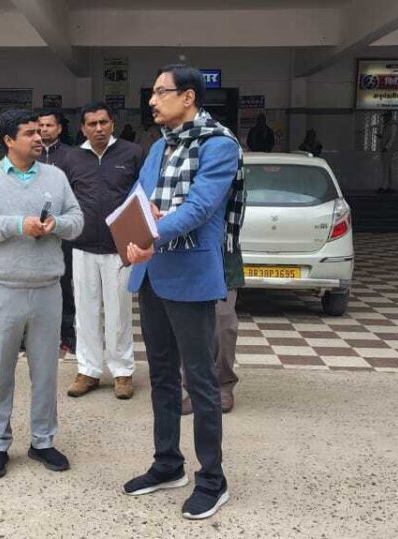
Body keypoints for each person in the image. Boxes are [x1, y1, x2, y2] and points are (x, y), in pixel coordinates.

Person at [121, 64, 244, 520]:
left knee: (200, 379)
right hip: (152, 273)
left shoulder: (219, 145)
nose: (152, 101)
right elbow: (139, 198)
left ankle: (212, 479)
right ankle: (167, 464)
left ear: (188, 96)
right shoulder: (159, 146)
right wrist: (131, 229)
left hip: (190, 274)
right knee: (162, 375)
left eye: (160, 92)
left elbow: (200, 207)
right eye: (152, 93)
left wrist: (151, 233)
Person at [0, 109, 84, 479]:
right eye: (29, 132)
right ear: (8, 140)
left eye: (39, 131)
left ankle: (43, 441)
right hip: (3, 290)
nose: (38, 137)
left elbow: (77, 221)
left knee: (45, 372)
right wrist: (19, 225)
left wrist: (55, 224)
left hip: (47, 290)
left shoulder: (56, 177)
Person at [59, 101, 145, 400]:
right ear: (83, 128)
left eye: (103, 123)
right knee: (85, 311)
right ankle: (88, 371)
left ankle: (122, 372)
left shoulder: (132, 153)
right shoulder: (71, 158)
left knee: (119, 312)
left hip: (120, 249)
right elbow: (64, 198)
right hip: (82, 247)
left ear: (112, 124)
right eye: (92, 124)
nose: (99, 129)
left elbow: (143, 196)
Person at [182, 247, 243, 415]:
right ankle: (194, 389)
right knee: (189, 323)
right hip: (189, 255)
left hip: (224, 257)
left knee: (224, 322)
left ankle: (223, 385)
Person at [37, 108, 76, 352]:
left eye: (49, 125)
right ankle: (31, 336)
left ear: (59, 128)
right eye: (40, 125)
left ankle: (66, 335)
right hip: (32, 231)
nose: (44, 130)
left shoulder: (72, 156)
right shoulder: (27, 154)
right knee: (32, 283)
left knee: (63, 283)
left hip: (62, 231)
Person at [376, 112, 398, 193]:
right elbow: (387, 137)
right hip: (386, 150)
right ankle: (389, 186)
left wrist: (387, 147)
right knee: (388, 169)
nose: (384, 118)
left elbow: (392, 138)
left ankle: (385, 187)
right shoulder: (387, 125)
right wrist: (381, 136)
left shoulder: (392, 126)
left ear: (389, 117)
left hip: (388, 151)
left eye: (385, 117)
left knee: (386, 168)